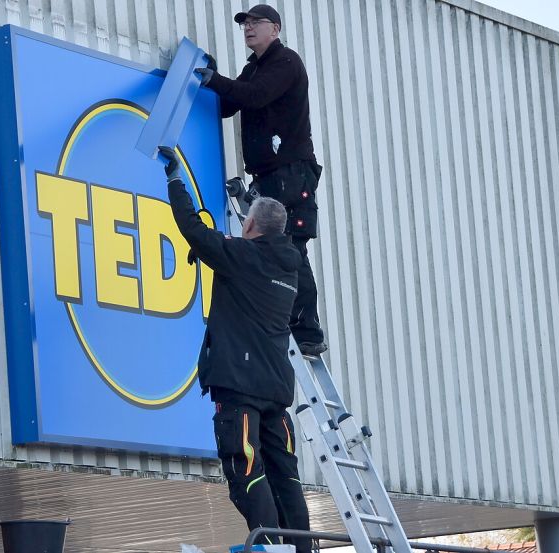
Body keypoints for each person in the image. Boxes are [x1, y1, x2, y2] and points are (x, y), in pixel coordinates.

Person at [160, 146, 312, 553]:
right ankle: (300, 547)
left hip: (241, 388)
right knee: (286, 475)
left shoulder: (243, 257)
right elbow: (245, 247)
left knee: (244, 470)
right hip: (275, 393)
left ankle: (269, 546)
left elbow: (193, 229)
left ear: (251, 228)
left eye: (245, 221)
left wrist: (175, 178)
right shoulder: (287, 266)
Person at [196, 4, 327, 356]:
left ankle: (308, 332)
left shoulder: (285, 63)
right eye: (245, 24)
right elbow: (229, 105)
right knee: (270, 248)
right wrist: (211, 80)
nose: (249, 28)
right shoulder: (253, 69)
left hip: (291, 173)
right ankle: (284, 318)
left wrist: (215, 80)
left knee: (292, 248)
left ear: (276, 28)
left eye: (257, 23)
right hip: (269, 177)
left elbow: (253, 97)